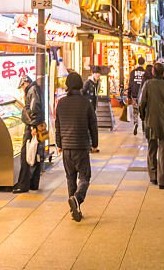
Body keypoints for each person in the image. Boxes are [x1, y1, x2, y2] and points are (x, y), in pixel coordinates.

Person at [55, 72, 99, 222]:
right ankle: (77, 199)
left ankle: (74, 208)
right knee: (85, 177)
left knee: (70, 178)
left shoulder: (61, 103)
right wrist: (95, 143)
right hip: (81, 146)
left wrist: (59, 144)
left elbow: (58, 126)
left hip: (66, 147)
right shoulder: (86, 102)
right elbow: (93, 124)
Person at [139, 61, 164, 189]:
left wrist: (143, 116)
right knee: (163, 150)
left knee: (151, 148)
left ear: (153, 72)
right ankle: (162, 180)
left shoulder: (148, 85)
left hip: (150, 121)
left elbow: (141, 103)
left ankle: (153, 176)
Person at [12, 73, 45, 193]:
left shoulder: (32, 90)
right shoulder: (36, 88)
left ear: (25, 83)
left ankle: (23, 185)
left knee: (26, 155)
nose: (22, 90)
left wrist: (33, 127)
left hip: (34, 126)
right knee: (37, 155)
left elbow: (34, 109)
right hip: (40, 125)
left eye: (22, 87)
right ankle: (33, 184)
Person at [127, 57, 147, 136]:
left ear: (137, 62)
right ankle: (143, 125)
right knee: (143, 110)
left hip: (134, 94)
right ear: (144, 63)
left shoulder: (133, 72)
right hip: (143, 95)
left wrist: (129, 94)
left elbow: (130, 83)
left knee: (135, 110)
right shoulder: (145, 73)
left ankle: (135, 123)